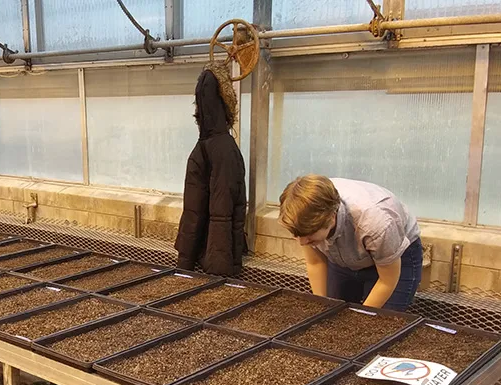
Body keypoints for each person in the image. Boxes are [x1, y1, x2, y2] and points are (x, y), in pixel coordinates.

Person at [278, 175, 423, 312]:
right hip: (343, 255)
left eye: (309, 237)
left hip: (393, 260)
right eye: (296, 235)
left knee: (380, 324)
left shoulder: (376, 223)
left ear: (330, 218)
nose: (302, 242)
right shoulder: (305, 218)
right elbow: (315, 263)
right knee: (332, 313)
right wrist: (321, 306)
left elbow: (387, 281)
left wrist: (358, 319)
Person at [175, 62, 247, 276]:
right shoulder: (224, 149)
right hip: (219, 262)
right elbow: (222, 212)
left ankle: (208, 271)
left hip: (204, 260)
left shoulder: (204, 147)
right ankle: (219, 275)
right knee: (221, 208)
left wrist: (184, 264)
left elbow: (195, 211)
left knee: (209, 209)